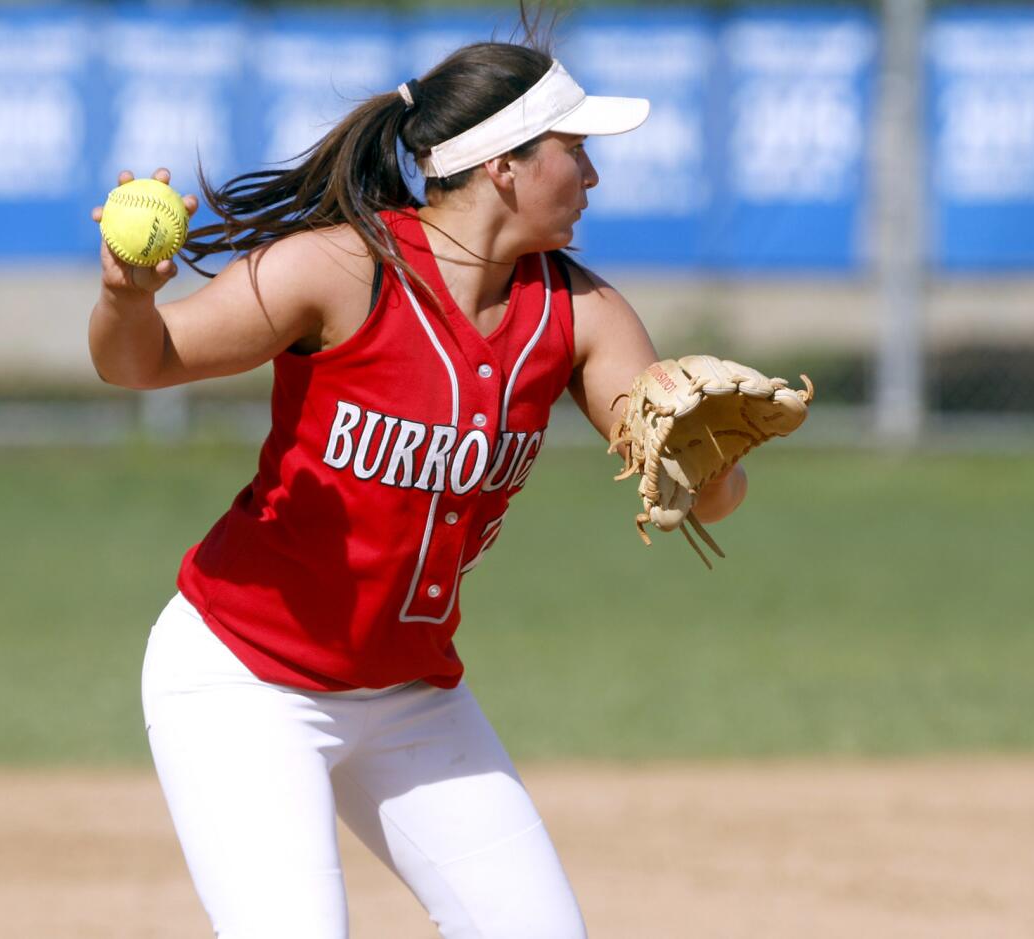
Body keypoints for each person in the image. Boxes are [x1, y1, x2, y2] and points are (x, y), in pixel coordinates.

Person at [89, 29, 747, 939]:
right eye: (577, 151)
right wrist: (126, 299)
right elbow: (144, 362)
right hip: (245, 682)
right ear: (505, 166)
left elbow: (705, 497)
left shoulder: (584, 315)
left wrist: (710, 459)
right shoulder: (342, 269)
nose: (593, 178)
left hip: (411, 694)